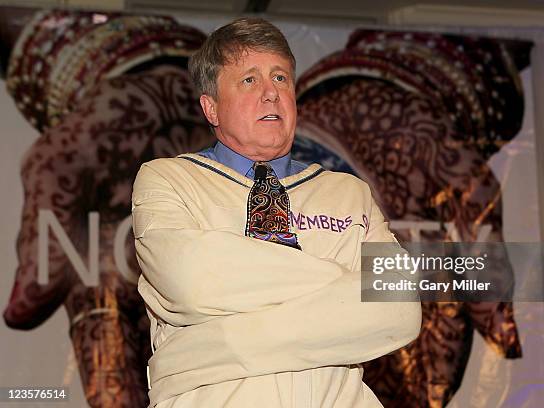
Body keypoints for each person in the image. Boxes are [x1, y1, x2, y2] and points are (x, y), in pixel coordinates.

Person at [132, 17, 421, 408]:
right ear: (211, 107)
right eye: (249, 80)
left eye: (281, 78)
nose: (271, 93)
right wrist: (342, 284)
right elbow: (195, 284)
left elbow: (399, 308)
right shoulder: (168, 180)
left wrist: (204, 350)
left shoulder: (347, 193)